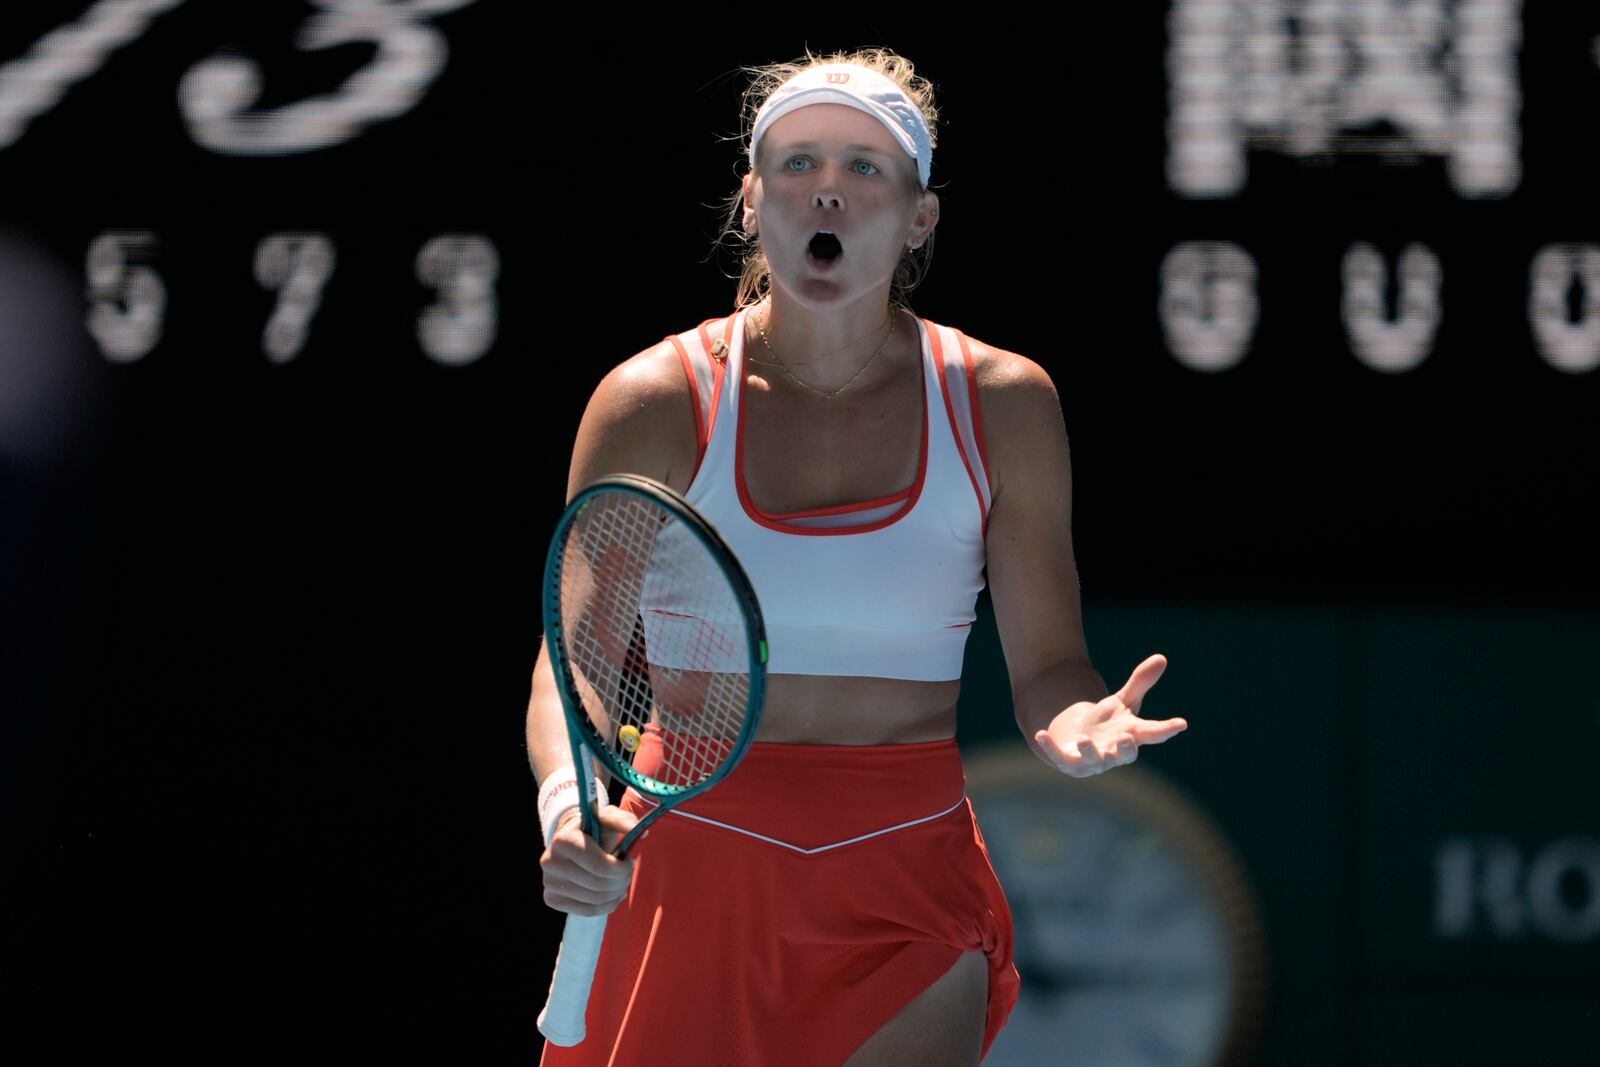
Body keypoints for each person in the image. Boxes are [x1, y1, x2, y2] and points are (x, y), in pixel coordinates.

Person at [526, 48, 1189, 1066]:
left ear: (919, 217)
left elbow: (1050, 663)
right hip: (691, 865)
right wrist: (571, 805)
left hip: (905, 878)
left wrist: (1073, 722)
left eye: (865, 166)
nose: (825, 186)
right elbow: (570, 660)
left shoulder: (1003, 403)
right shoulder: (652, 403)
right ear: (751, 201)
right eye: (795, 164)